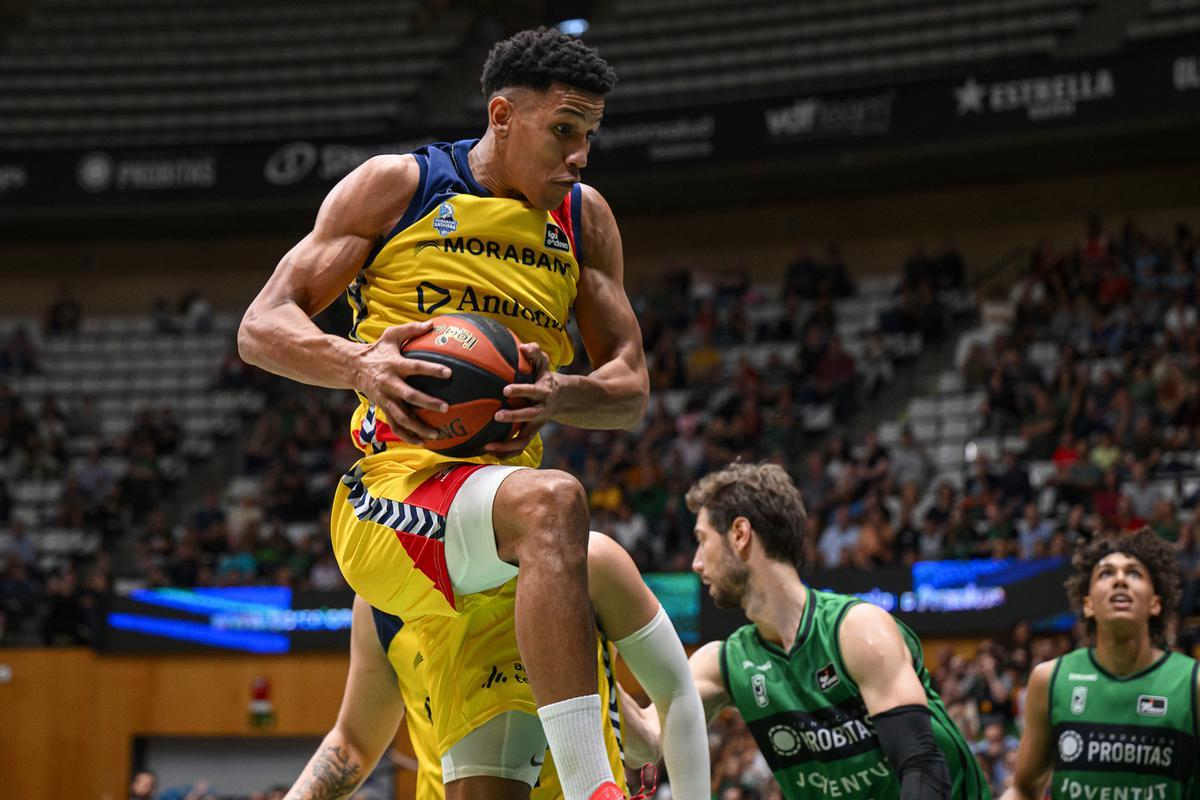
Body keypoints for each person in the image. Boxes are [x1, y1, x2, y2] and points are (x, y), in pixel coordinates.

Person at [239, 28, 648, 800]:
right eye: (564, 129)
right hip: (393, 494)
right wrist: (359, 364)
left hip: (508, 544)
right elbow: (261, 327)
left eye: (589, 135)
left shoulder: (584, 222)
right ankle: (605, 788)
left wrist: (563, 392)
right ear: (502, 115)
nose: (580, 155)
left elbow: (630, 389)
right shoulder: (401, 185)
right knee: (557, 500)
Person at [623, 462, 989, 799]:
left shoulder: (856, 630)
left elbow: (922, 767)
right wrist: (585, 660)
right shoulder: (724, 664)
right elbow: (647, 741)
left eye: (703, 540)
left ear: (739, 534)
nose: (696, 563)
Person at [285, 534, 708, 799]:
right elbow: (355, 740)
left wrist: (632, 726)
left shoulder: (583, 561)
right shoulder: (382, 603)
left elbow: (666, 701)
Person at [1000, 528, 1198, 799]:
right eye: (1106, 573)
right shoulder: (1050, 679)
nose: (1120, 580)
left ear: (1155, 603)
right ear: (1088, 604)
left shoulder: (1193, 684)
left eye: (1134, 573)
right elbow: (1023, 789)